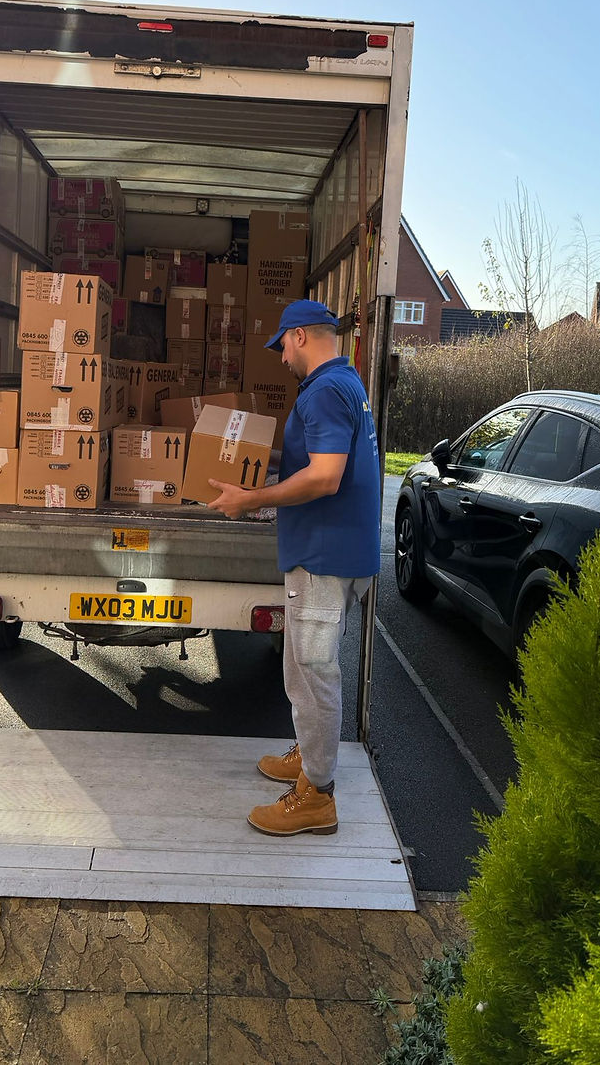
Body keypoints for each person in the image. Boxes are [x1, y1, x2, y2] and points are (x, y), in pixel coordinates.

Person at [207, 298, 381, 836]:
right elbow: (325, 466)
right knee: (302, 670)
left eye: (282, 343)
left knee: (312, 672)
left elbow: (326, 476)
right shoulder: (345, 383)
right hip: (336, 551)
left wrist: (253, 499)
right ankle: (310, 757)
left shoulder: (326, 390)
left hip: (323, 558)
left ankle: (316, 796)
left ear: (301, 335)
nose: (282, 355)